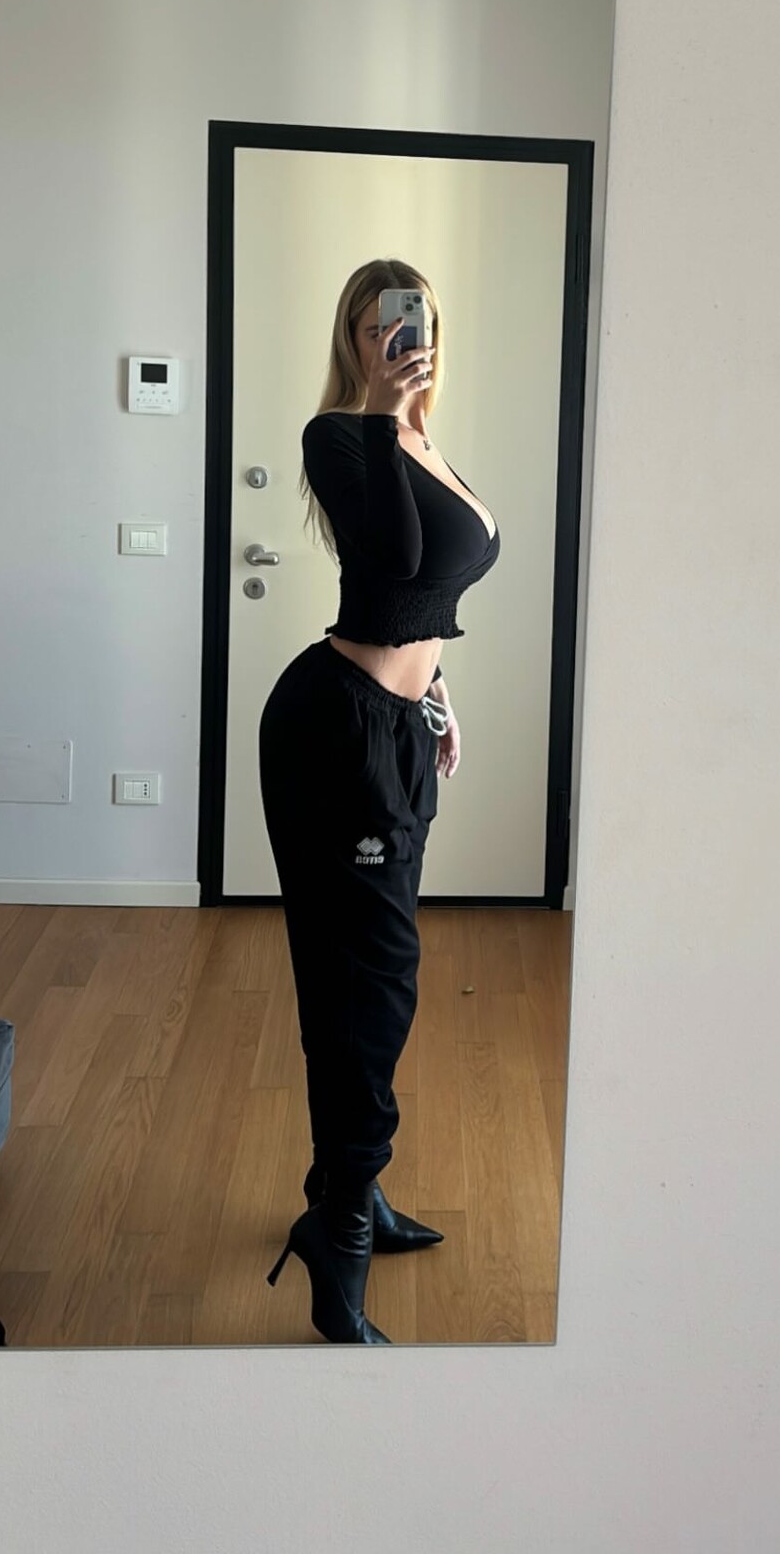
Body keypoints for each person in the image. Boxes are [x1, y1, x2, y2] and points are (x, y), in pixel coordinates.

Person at [259, 258, 501, 1343]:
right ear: (353, 342)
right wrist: (380, 411)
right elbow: (394, 557)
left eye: (414, 322)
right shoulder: (341, 436)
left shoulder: (425, 442)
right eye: (377, 328)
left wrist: (437, 691)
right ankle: (341, 1238)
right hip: (336, 733)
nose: (401, 341)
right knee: (370, 989)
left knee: (365, 980)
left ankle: (343, 1193)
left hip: (398, 728)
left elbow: (427, 596)